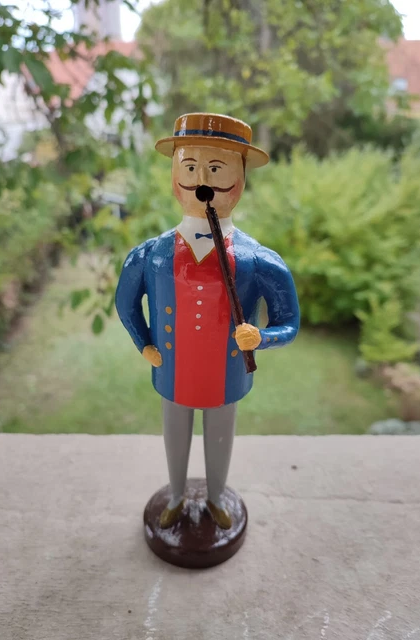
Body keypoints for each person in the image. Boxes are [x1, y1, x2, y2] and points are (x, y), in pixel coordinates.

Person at [115, 113, 300, 529]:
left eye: (216, 168)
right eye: (190, 166)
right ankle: (176, 496)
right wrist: (144, 343)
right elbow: (125, 303)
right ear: (173, 174)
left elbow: (289, 323)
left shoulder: (258, 261)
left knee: (220, 436)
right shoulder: (152, 255)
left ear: (240, 178)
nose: (202, 179)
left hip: (226, 374)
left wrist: (262, 337)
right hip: (172, 370)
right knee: (174, 435)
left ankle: (217, 497)